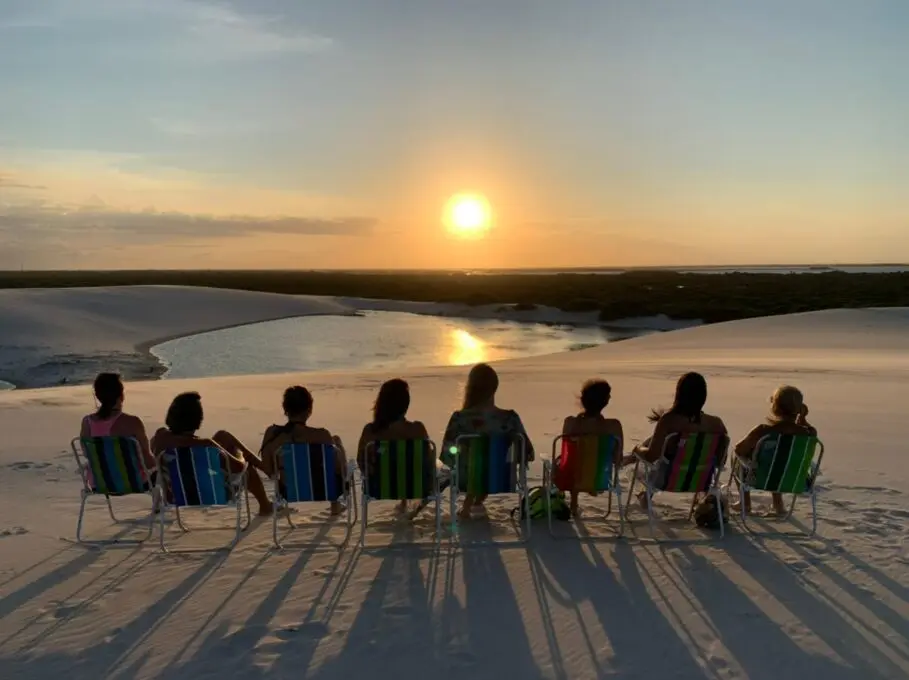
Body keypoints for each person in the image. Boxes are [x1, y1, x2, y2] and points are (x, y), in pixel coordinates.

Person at [151, 392, 273, 516]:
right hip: (211, 495)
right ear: (198, 419)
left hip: (174, 496)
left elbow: (156, 455)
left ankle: (263, 466)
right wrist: (241, 456)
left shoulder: (160, 438)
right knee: (248, 469)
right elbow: (238, 468)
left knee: (222, 436)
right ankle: (265, 505)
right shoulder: (207, 445)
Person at [441, 363, 535, 518]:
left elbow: (448, 455)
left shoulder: (460, 419)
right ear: (495, 387)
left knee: (474, 463)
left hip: (466, 480)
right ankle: (476, 501)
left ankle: (470, 503)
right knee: (488, 461)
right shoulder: (510, 418)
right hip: (501, 478)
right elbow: (528, 453)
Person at [623, 372, 727, 509]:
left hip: (666, 480)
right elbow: (721, 460)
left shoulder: (669, 421)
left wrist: (637, 449)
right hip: (701, 481)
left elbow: (651, 456)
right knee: (662, 446)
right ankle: (700, 497)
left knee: (641, 463)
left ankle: (645, 495)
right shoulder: (716, 424)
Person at [259, 386, 349, 515]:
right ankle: (335, 504)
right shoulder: (322, 436)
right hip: (323, 489)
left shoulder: (272, 435)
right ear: (309, 410)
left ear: (285, 409)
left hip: (288, 491)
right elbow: (340, 470)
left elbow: (268, 470)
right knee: (336, 442)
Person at [732, 385, 817, 516]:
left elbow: (738, 449)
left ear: (775, 407)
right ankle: (778, 505)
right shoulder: (809, 434)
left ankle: (745, 502)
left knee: (737, 458)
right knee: (781, 461)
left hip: (762, 479)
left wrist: (750, 455)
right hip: (797, 481)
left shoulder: (763, 430)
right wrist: (803, 420)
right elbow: (807, 431)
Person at [79, 373, 158, 501]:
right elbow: (147, 461)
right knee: (163, 472)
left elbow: (88, 454)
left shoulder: (87, 423)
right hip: (135, 483)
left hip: (99, 484)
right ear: (121, 396)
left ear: (98, 397)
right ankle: (158, 507)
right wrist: (160, 464)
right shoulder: (132, 422)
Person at [357, 378, 429, 513]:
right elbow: (427, 460)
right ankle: (407, 501)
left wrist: (374, 474)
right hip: (416, 486)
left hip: (379, 487)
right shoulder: (417, 429)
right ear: (405, 404)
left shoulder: (370, 432)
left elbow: (361, 462)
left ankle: (403, 501)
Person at [560, 379, 624, 516]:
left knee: (569, 461)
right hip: (600, 478)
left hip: (572, 477)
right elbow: (617, 459)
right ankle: (588, 487)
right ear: (605, 402)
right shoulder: (613, 426)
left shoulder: (570, 423)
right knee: (589, 461)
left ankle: (573, 503)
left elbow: (567, 453)